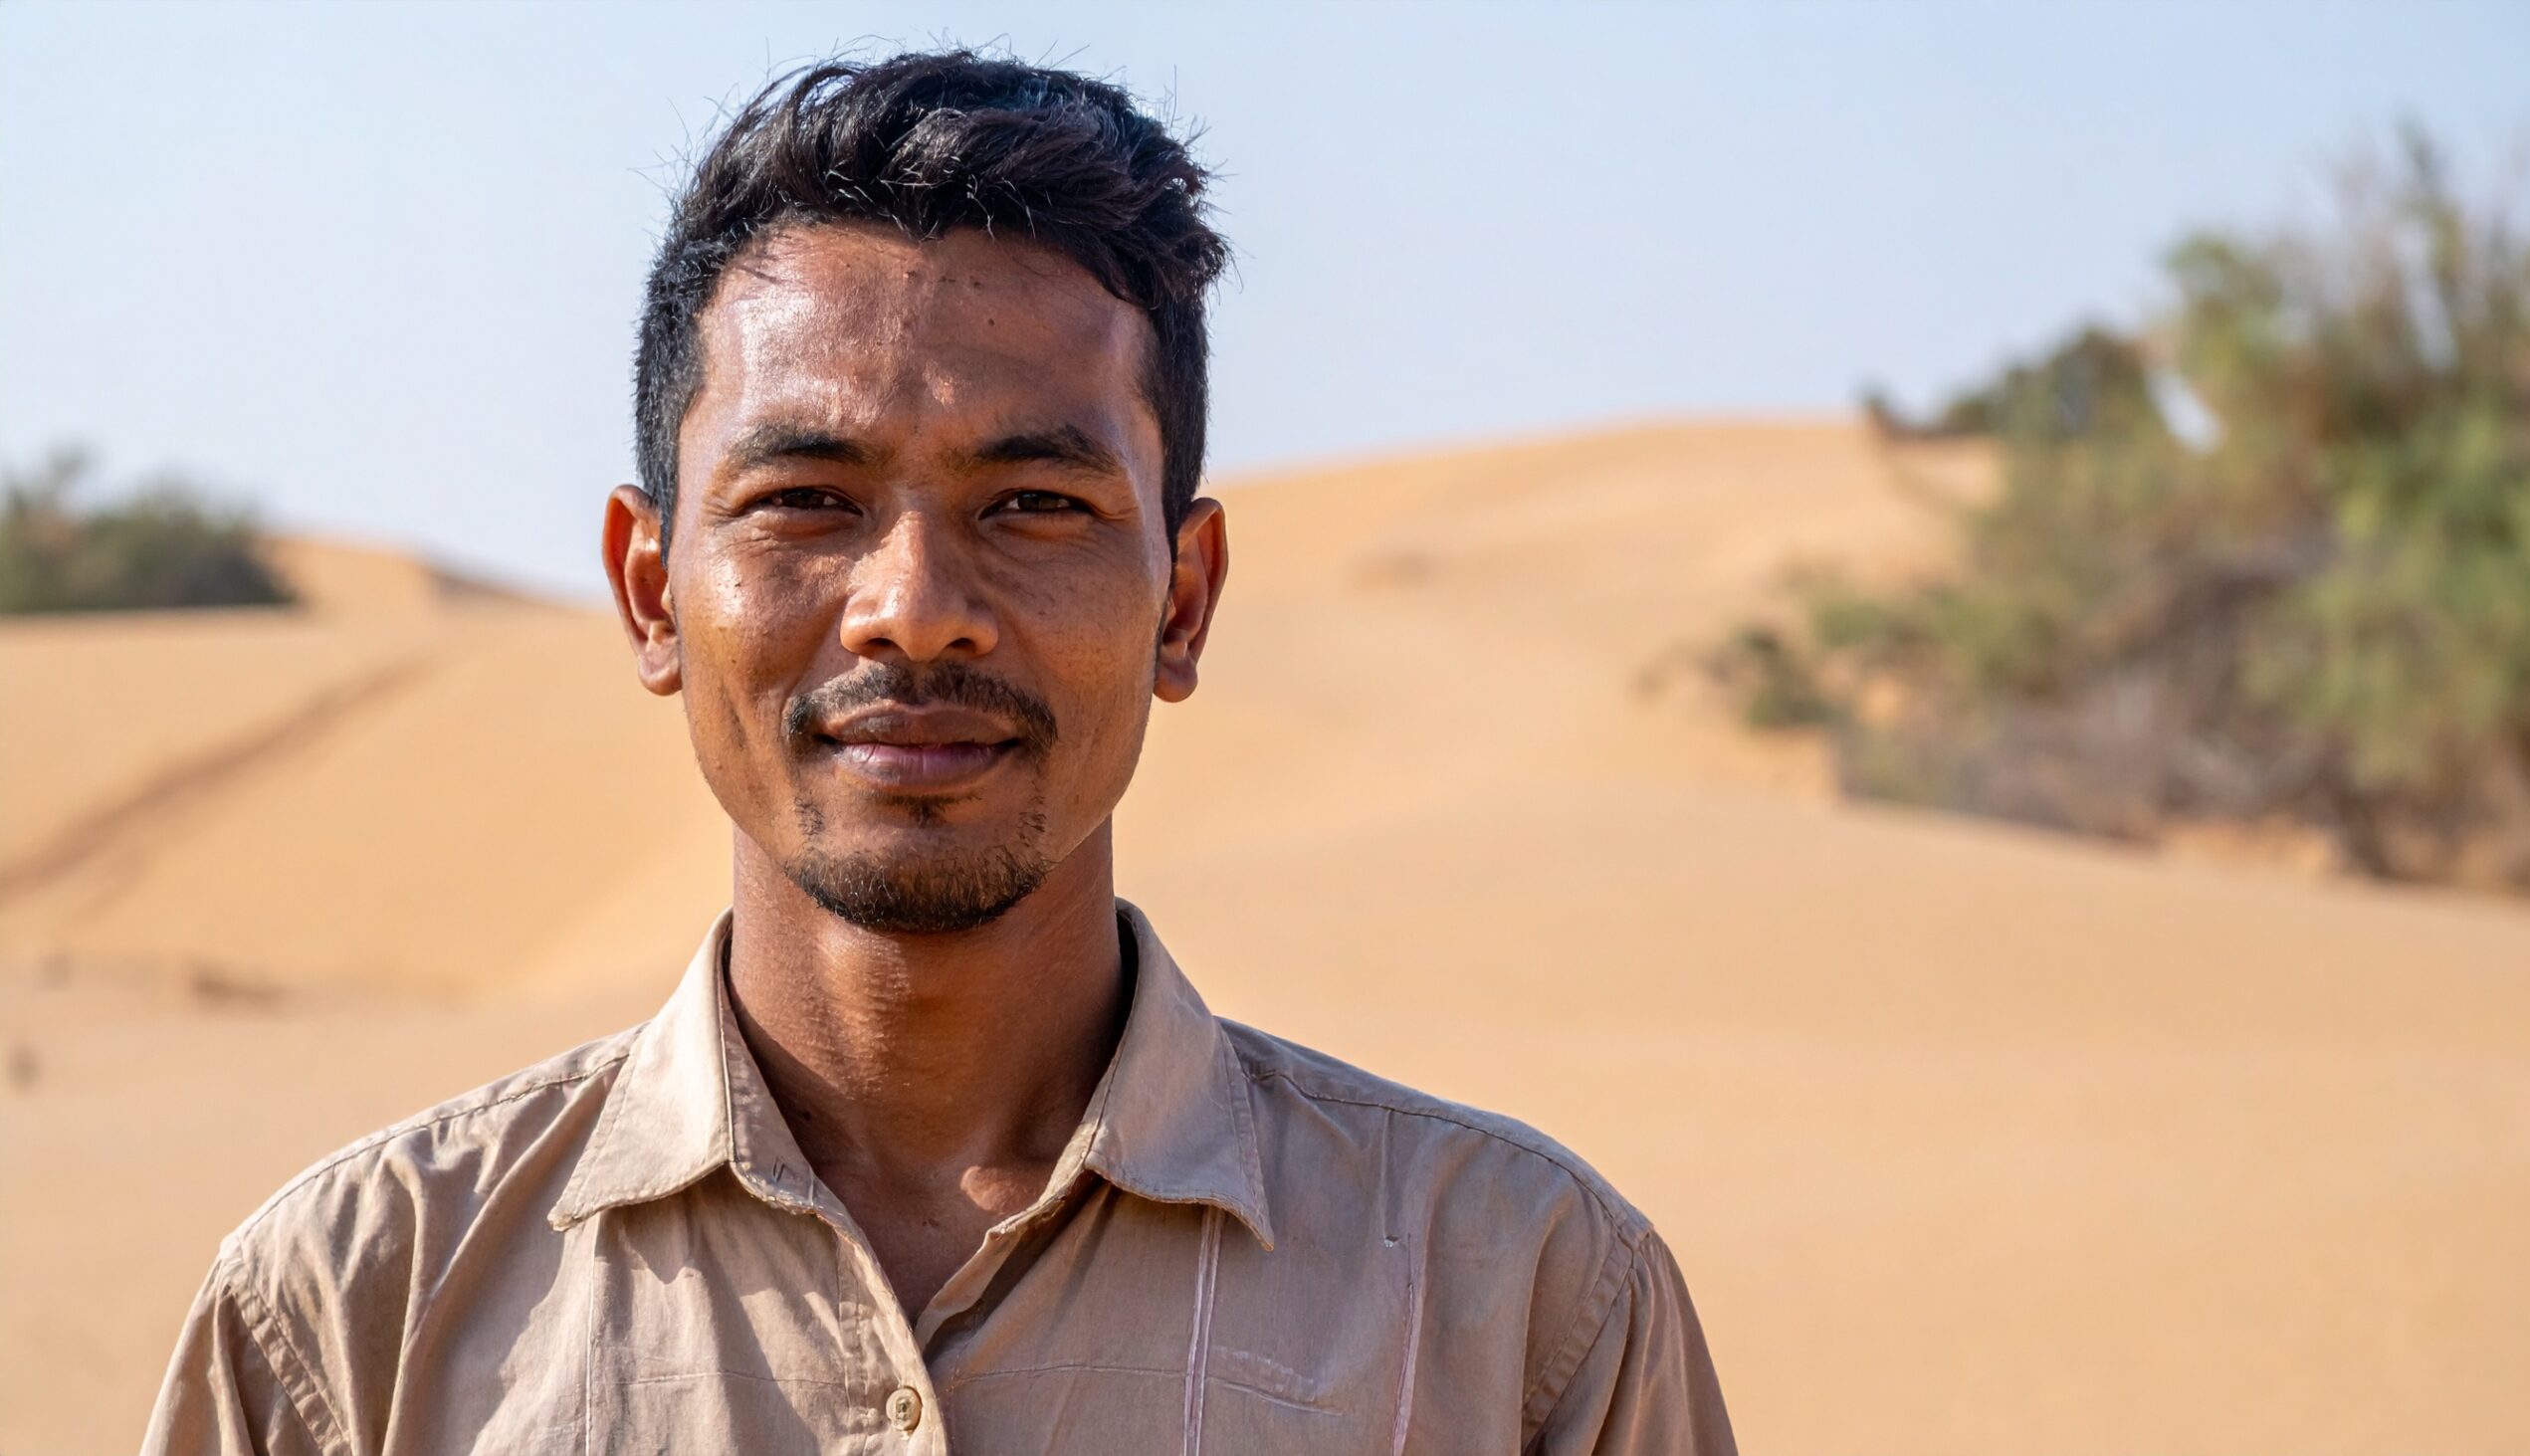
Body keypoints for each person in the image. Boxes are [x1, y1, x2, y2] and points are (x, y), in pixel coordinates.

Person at [142, 51, 1736, 1454]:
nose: (914, 613)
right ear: (652, 594)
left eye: (1035, 505)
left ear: (1183, 602)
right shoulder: (349, 1322)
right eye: (804, 503)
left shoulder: (1523, 1306)